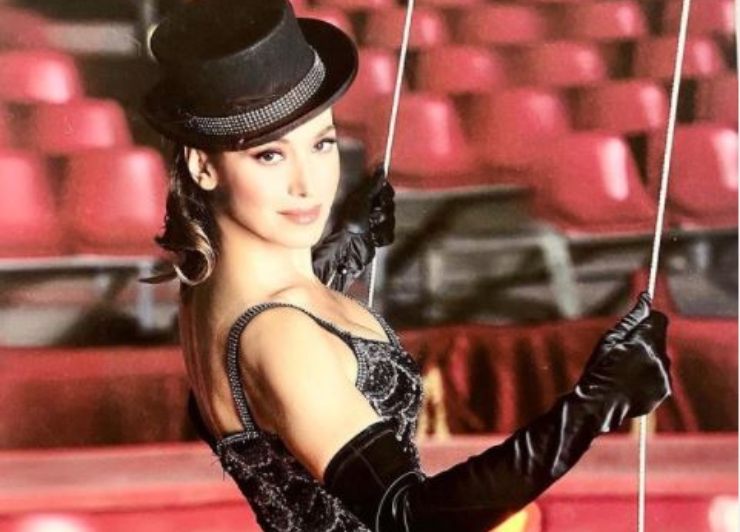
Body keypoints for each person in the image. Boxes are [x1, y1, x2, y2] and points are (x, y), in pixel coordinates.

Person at [140, 1, 673, 530]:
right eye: (270, 156)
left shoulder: (210, 291)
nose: (308, 184)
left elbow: (278, 389)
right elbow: (408, 520)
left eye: (322, 144)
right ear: (203, 166)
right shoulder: (280, 337)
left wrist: (343, 250)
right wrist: (593, 405)